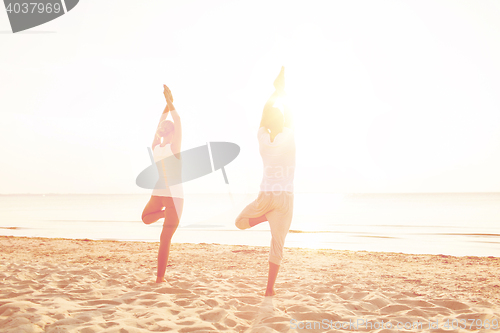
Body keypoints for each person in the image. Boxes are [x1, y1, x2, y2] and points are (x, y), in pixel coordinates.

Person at [235, 67, 295, 296]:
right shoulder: (289, 137)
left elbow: (264, 114)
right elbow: (291, 114)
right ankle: (269, 289)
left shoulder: (262, 138)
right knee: (277, 245)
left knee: (239, 222)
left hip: (266, 196)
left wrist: (274, 92)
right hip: (284, 198)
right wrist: (282, 90)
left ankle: (263, 217)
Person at [141, 84, 183, 283]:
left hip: (160, 193)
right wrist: (170, 103)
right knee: (164, 239)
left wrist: (166, 105)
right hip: (173, 196)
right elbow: (178, 120)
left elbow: (160, 124)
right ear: (172, 134)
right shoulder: (174, 147)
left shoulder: (156, 148)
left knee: (146, 218)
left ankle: (160, 277)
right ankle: (160, 279)